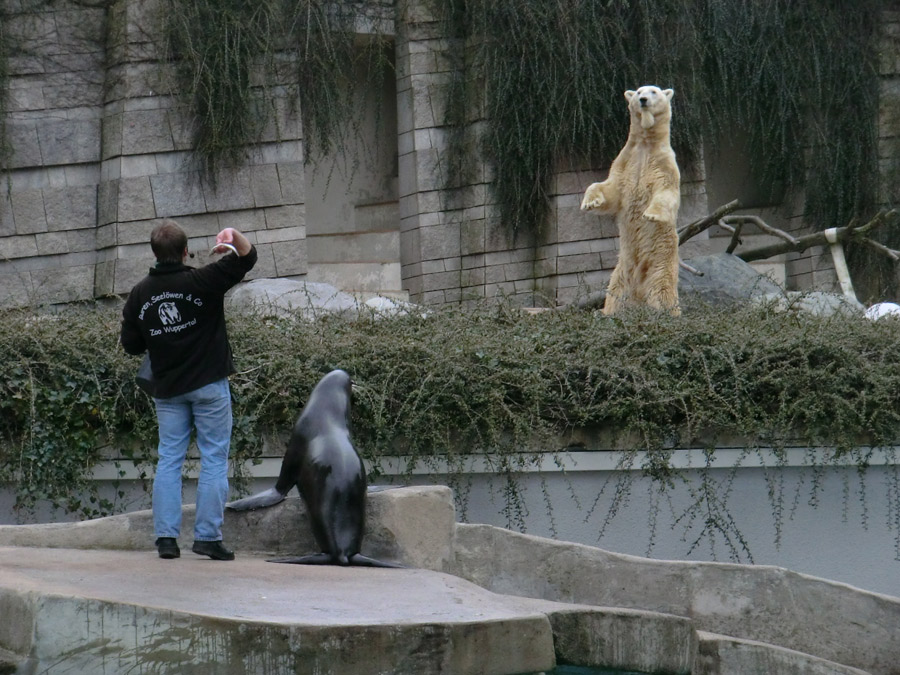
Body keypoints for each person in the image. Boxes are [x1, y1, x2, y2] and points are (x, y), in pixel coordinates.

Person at [120, 220, 257, 560]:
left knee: (169, 460)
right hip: (209, 385)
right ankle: (207, 538)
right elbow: (247, 258)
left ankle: (166, 540)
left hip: (167, 390)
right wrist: (231, 236)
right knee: (213, 459)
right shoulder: (203, 280)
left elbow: (131, 345)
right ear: (184, 252)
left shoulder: (140, 293)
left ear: (154, 253)